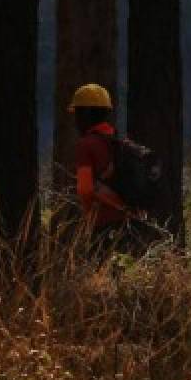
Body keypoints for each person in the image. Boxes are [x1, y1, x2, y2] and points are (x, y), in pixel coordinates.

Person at [69, 83, 157, 258]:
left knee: (102, 277)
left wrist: (89, 218)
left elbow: (85, 189)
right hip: (131, 224)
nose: (76, 120)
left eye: (77, 113)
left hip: (103, 225)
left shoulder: (85, 145)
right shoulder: (118, 142)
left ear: (85, 114)